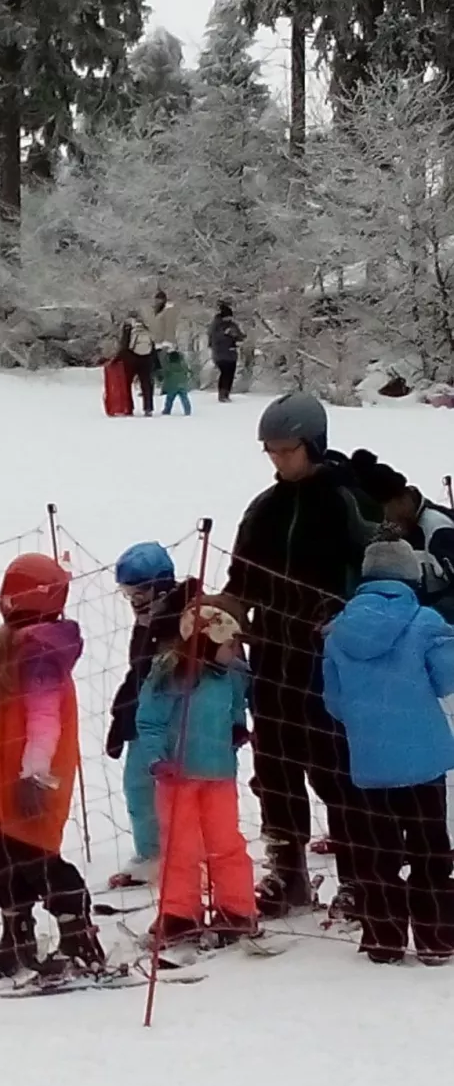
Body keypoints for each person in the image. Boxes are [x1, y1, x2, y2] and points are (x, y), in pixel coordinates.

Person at [226, 391, 381, 919]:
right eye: (270, 450)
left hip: (330, 660)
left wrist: (349, 619)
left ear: (313, 445)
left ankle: (359, 875)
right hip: (273, 656)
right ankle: (287, 868)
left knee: (335, 766)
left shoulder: (347, 502)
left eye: (286, 450)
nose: (277, 459)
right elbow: (242, 579)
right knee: (274, 764)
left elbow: (379, 570)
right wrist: (223, 609)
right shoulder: (264, 509)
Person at [0, 553, 106, 980]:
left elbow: (45, 721)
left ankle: (79, 935)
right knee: (3, 859)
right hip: (5, 774)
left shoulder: (40, 654)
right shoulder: (16, 645)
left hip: (34, 776)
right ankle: (17, 934)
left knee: (36, 859)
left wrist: (34, 774)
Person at [323, 539, 454, 964]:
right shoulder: (424, 621)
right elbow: (446, 680)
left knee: (377, 854)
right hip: (424, 759)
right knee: (430, 849)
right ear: (410, 575)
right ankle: (437, 937)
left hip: (369, 761)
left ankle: (384, 940)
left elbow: (334, 702)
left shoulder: (339, 630)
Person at [132, 595, 260, 950]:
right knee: (180, 847)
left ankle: (237, 909)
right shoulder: (171, 673)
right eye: (229, 644)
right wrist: (157, 758)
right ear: (206, 641)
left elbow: (235, 707)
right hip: (178, 778)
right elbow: (150, 721)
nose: (235, 651)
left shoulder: (233, 674)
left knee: (226, 843)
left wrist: (238, 727)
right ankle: (179, 914)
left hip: (219, 774)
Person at [106, 542, 201, 888]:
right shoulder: (146, 623)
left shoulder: (186, 620)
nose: (134, 600)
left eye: (140, 592)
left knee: (179, 792)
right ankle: (150, 853)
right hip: (144, 722)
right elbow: (139, 672)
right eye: (127, 592)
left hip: (177, 722)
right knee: (137, 787)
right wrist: (122, 715)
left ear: (160, 586)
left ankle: (188, 854)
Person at [351, 450, 454, 620]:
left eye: (385, 514)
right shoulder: (405, 529)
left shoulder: (437, 527)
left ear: (402, 499)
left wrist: (426, 619)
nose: (385, 523)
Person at [122, 310, 156, 416]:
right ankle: (148, 408)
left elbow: (125, 344)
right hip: (147, 359)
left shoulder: (128, 328)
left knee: (126, 383)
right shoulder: (147, 329)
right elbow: (153, 345)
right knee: (146, 384)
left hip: (132, 358)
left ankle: (128, 407)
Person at [209, 301, 245, 402]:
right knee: (225, 373)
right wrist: (225, 335)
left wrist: (239, 338)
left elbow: (240, 335)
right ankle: (222, 394)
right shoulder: (216, 326)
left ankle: (226, 393)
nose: (230, 319)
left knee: (230, 374)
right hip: (220, 354)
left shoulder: (232, 325)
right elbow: (213, 339)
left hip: (232, 354)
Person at [159, 346, 192, 415]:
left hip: (172, 386)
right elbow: (190, 372)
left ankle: (167, 410)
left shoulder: (169, 366)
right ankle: (187, 410)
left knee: (169, 399)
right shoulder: (183, 365)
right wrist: (187, 378)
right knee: (184, 398)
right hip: (182, 384)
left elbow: (164, 374)